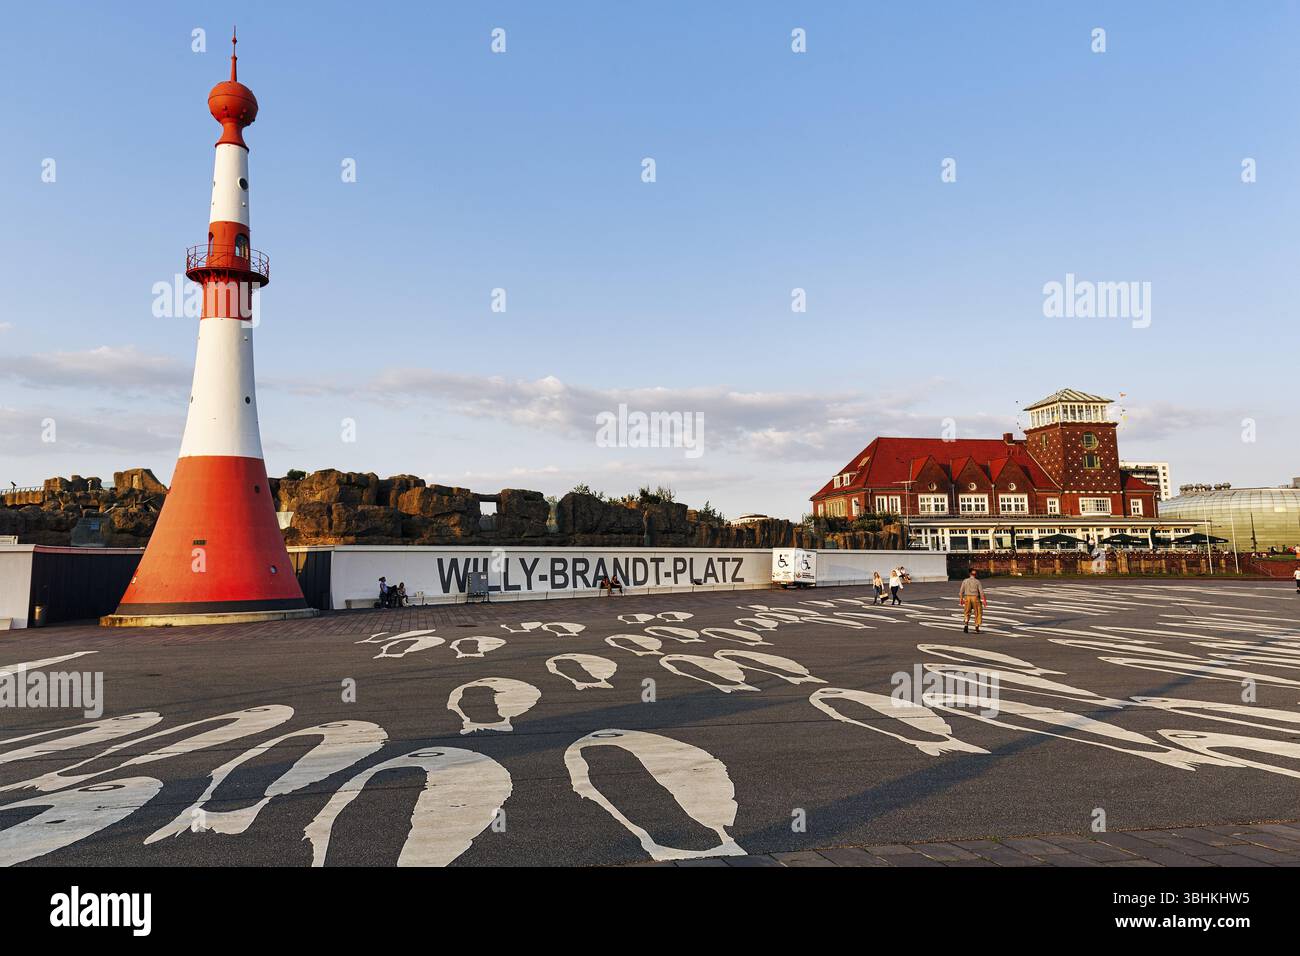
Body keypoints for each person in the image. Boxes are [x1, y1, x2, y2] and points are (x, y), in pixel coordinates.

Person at [959, 569, 986, 634]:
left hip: (967, 598)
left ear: (969, 574)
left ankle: (966, 624)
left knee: (967, 612)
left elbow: (961, 591)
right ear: (975, 575)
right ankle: (976, 626)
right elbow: (981, 592)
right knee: (978, 612)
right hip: (975, 598)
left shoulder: (965, 581)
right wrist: (984, 600)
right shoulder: (977, 582)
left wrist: (961, 599)